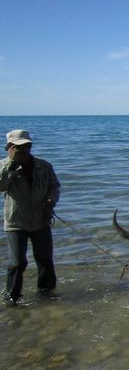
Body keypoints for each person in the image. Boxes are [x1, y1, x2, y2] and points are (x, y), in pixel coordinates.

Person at [0, 130, 61, 304]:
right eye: (19, 147)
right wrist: (11, 163)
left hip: (41, 220)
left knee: (45, 259)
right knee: (17, 263)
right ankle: (12, 297)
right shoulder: (3, 166)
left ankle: (47, 293)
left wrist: (51, 200)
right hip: (15, 222)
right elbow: (1, 186)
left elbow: (54, 186)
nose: (24, 150)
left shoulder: (44, 166)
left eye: (27, 146)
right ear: (10, 148)